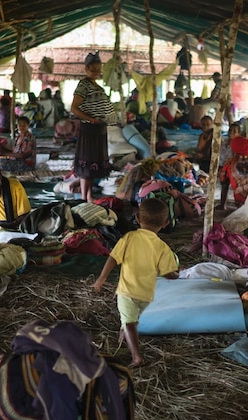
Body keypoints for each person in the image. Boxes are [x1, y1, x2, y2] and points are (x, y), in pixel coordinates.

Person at [92, 198, 180, 366]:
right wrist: (178, 275)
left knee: (130, 323)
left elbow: (112, 258)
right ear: (166, 223)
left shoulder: (130, 237)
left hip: (127, 291)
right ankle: (122, 338)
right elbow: (168, 274)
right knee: (130, 319)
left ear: (137, 218)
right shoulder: (163, 247)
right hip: (146, 295)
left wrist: (101, 279)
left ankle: (137, 357)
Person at [71, 52, 114, 202]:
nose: (96, 72)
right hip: (89, 129)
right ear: (86, 69)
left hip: (98, 130)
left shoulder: (97, 86)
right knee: (86, 164)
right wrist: (91, 119)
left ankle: (89, 195)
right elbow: (74, 108)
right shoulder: (83, 85)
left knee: (92, 163)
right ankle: (84, 196)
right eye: (93, 69)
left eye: (98, 69)